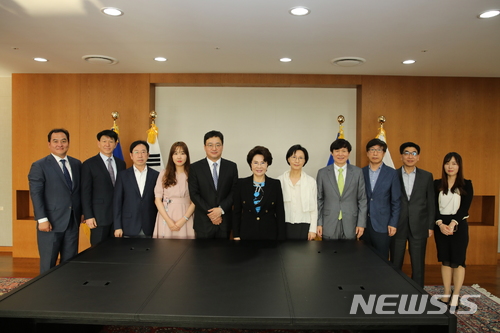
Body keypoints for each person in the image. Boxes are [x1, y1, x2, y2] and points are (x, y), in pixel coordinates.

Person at [28, 128, 82, 273]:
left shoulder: (76, 164)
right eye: (55, 141)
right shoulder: (39, 165)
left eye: (63, 141)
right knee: (48, 264)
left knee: (70, 264)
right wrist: (42, 219)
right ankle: (46, 294)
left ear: (68, 143)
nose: (60, 144)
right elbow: (36, 193)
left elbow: (78, 192)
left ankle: (66, 292)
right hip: (50, 223)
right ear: (49, 144)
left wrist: (81, 212)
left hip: (72, 222)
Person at [390, 142, 435, 287]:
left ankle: (418, 293)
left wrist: (430, 225)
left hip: (420, 225)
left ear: (418, 157)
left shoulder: (427, 176)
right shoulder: (393, 175)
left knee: (418, 263)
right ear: (401, 156)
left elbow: (431, 203)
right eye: (407, 153)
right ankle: (395, 290)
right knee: (395, 262)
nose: (410, 156)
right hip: (398, 224)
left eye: (414, 153)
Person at [434, 152, 473, 309]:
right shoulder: (436, 184)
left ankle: (456, 295)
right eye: (447, 163)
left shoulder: (466, 184)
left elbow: (465, 207)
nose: (450, 166)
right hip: (441, 225)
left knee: (458, 261)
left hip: (459, 225)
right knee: (445, 259)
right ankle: (445, 293)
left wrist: (453, 224)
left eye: (454, 163)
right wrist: (440, 224)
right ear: (443, 165)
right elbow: (433, 206)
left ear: (459, 166)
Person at [188, 130, 238, 239]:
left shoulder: (231, 167)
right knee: (203, 255)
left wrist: (221, 209)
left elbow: (234, 191)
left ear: (222, 146)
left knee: (225, 255)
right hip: (203, 222)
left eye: (217, 145)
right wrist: (212, 213)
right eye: (210, 145)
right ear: (204, 147)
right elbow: (194, 194)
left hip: (224, 221)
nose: (214, 148)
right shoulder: (195, 168)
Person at [81, 130, 126, 246]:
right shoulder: (89, 164)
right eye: (104, 141)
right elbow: (85, 192)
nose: (107, 144)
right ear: (98, 143)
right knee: (98, 252)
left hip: (118, 218)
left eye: (111, 142)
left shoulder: (121, 163)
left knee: (116, 251)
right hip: (98, 217)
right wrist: (88, 215)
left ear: (116, 144)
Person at [317, 139, 367, 240]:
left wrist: (361, 224)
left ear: (348, 153)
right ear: (332, 153)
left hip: (351, 223)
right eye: (337, 151)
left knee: (349, 254)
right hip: (328, 223)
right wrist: (319, 223)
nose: (340, 154)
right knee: (329, 254)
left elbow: (362, 199)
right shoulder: (322, 173)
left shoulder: (357, 172)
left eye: (344, 151)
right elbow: (319, 199)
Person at [233, 146, 285, 240]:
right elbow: (236, 212)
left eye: (263, 163)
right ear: (250, 164)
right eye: (255, 163)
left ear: (267, 164)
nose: (259, 166)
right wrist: (236, 235)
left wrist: (280, 237)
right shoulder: (241, 184)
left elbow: (280, 213)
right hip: (247, 234)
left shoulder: (275, 184)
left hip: (269, 234)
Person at [362, 138, 401, 259]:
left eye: (379, 150)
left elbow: (396, 201)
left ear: (384, 153)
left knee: (382, 259)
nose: (375, 153)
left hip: (383, 224)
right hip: (364, 224)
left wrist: (393, 223)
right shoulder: (360, 172)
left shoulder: (392, 173)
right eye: (372, 150)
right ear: (367, 153)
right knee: (364, 258)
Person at [113, 140, 159, 238]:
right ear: (131, 155)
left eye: (143, 152)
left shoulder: (156, 175)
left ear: (148, 155)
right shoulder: (123, 175)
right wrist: (117, 226)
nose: (140, 155)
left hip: (150, 225)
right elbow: (117, 202)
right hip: (128, 226)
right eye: (136, 152)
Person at [153, 141, 195, 239]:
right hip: (166, 215)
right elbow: (157, 199)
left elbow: (195, 201)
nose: (179, 157)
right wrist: (168, 221)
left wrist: (183, 220)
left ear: (187, 156)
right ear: (171, 156)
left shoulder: (193, 174)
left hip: (186, 215)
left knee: (186, 250)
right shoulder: (164, 173)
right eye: (175, 153)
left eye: (182, 153)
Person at [278, 145, 317, 240]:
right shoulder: (279, 181)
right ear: (288, 159)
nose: (297, 161)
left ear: (304, 161)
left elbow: (314, 207)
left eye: (300, 158)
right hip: (284, 224)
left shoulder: (311, 181)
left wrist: (312, 229)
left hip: (304, 224)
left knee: (303, 254)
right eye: (294, 157)